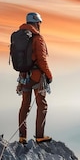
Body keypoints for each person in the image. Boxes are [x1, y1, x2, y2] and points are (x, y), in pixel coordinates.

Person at [16, 12, 53, 144]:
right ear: (37, 23)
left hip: (23, 75)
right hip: (37, 77)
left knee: (25, 105)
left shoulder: (20, 37)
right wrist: (49, 75)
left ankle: (22, 137)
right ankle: (39, 136)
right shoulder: (38, 38)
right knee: (42, 105)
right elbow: (42, 60)